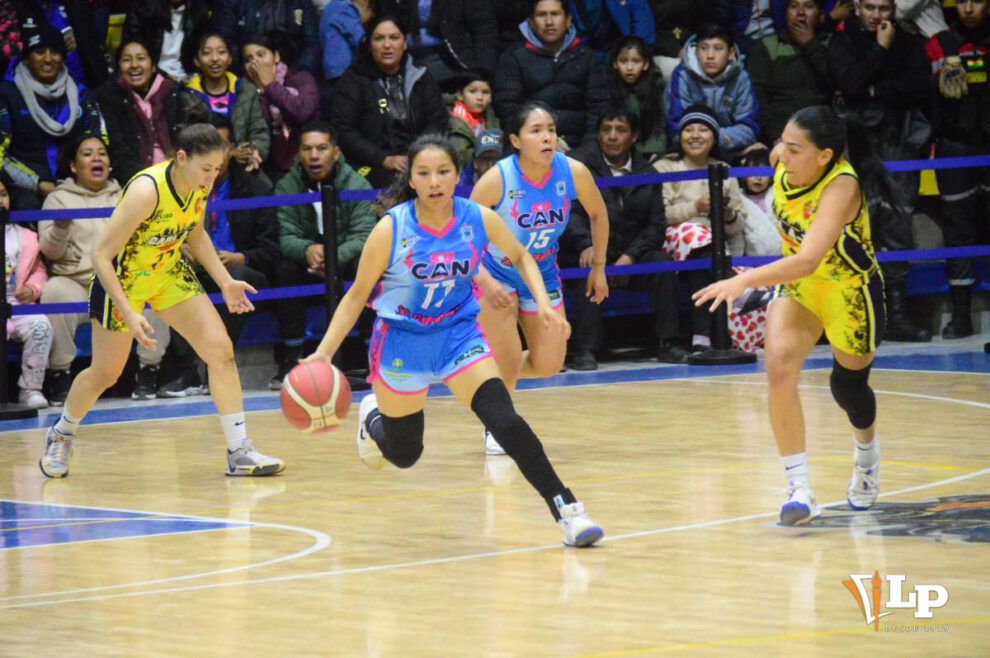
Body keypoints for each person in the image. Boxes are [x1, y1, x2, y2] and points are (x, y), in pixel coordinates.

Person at [302, 133, 604, 547]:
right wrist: (323, 354)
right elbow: (356, 296)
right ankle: (372, 417)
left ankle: (568, 511)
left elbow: (519, 255)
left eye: (443, 172)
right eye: (424, 173)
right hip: (403, 341)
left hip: (458, 336)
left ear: (457, 176)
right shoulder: (392, 229)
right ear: (411, 179)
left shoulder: (476, 217)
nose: (434, 182)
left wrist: (542, 303)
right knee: (405, 454)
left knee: (506, 421)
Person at [38, 123, 284, 479]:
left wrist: (225, 281)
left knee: (220, 350)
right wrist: (128, 311)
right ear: (181, 158)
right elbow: (101, 256)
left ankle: (239, 451)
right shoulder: (146, 190)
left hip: (167, 272)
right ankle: (61, 433)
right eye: (206, 168)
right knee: (106, 373)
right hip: (123, 280)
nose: (212, 178)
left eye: (217, 169)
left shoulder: (199, 186)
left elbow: (196, 235)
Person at [693, 105, 891, 526]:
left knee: (848, 388)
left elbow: (808, 258)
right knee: (779, 367)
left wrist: (744, 281)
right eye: (782, 142)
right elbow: (801, 270)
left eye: (795, 148)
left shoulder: (842, 187)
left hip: (848, 291)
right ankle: (799, 489)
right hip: (800, 289)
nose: (783, 152)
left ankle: (867, 456)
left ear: (824, 156)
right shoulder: (779, 159)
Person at [471, 102, 609, 455]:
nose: (547, 137)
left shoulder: (572, 171)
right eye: (536, 131)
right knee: (507, 356)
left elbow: (598, 214)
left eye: (551, 129)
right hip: (496, 272)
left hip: (542, 272)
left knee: (548, 363)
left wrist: (599, 267)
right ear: (516, 140)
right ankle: (497, 425)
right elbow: (463, 236)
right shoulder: (497, 179)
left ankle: (476, 373)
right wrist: (485, 280)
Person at [828, 0, 933, 343]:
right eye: (870, 7)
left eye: (884, 8)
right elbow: (850, 84)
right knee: (853, 226)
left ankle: (896, 315)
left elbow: (920, 85)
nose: (877, 16)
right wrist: (879, 50)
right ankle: (856, 314)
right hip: (854, 145)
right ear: (857, 7)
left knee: (898, 225)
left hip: (897, 140)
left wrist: (876, 90)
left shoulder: (909, 42)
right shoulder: (842, 42)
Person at [159, 114, 281, 397]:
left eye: (222, 146)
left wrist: (241, 256)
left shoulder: (256, 188)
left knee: (237, 279)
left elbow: (272, 250)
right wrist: (179, 246)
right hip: (193, 267)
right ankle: (187, 373)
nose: (215, 155)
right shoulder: (173, 187)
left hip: (239, 268)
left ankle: (216, 363)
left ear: (232, 149)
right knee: (175, 279)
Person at [562, 109, 687, 369]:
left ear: (634, 136)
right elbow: (568, 212)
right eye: (606, 130)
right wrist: (586, 244)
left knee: (662, 264)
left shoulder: (648, 172)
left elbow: (656, 226)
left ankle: (670, 342)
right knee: (589, 268)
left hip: (631, 253)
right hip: (592, 248)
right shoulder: (579, 166)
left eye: (620, 130)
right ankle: (585, 349)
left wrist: (630, 256)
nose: (612, 136)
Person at [270, 120, 376, 387]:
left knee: (367, 268)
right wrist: (306, 250)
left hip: (344, 259)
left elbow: (364, 235)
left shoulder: (357, 185)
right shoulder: (286, 186)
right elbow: (285, 235)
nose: (314, 156)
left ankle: (371, 358)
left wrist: (333, 257)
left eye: (321, 148)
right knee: (284, 271)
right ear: (299, 154)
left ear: (336, 152)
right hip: (307, 263)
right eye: (307, 149)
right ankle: (290, 360)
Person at [37, 135, 125, 405]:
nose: (97, 158)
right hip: (75, 281)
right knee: (55, 293)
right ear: (73, 166)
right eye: (87, 154)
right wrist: (60, 230)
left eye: (102, 153)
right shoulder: (58, 199)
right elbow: (50, 252)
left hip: (117, 282)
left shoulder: (125, 196)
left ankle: (150, 370)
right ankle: (60, 373)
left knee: (153, 293)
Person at [654, 104, 746, 352]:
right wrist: (696, 206)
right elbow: (661, 215)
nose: (695, 136)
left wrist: (727, 215)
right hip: (674, 239)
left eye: (703, 130)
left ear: (714, 137)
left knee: (706, 256)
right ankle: (735, 290)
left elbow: (738, 225)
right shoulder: (665, 167)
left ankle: (703, 337)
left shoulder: (724, 169)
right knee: (699, 241)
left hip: (712, 244)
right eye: (689, 130)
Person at [924, 0, 989, 338]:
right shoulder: (939, 44)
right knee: (957, 232)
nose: (968, 8)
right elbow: (923, 99)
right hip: (953, 148)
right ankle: (961, 317)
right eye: (961, 1)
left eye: (975, 0)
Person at [330, 15, 448, 188]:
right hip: (371, 165)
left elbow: (437, 121)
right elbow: (343, 130)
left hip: (419, 160)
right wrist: (383, 159)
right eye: (379, 38)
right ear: (369, 44)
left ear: (404, 43)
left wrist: (417, 155)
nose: (387, 45)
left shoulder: (421, 75)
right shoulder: (353, 80)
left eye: (394, 37)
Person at [0, 22, 102, 210]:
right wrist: (37, 184)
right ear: (27, 58)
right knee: (26, 204)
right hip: (25, 188)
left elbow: (98, 142)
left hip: (77, 182)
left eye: (55, 52)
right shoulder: (7, 94)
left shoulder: (81, 95)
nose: (48, 59)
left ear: (63, 58)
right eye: (39, 52)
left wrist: (80, 181)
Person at [494, 0, 611, 150]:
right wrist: (545, 144)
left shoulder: (587, 57)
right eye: (541, 15)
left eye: (555, 14)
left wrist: (585, 152)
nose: (549, 22)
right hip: (530, 148)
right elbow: (509, 111)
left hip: (581, 149)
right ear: (531, 22)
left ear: (568, 20)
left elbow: (598, 109)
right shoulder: (513, 58)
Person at [93, 37, 209, 185]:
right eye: (126, 60)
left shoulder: (174, 95)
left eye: (141, 58)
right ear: (119, 67)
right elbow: (118, 153)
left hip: (179, 179)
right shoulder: (109, 99)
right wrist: (148, 182)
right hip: (133, 184)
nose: (134, 65)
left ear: (153, 66)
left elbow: (192, 143)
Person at [664, 22, 761, 159]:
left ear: (731, 53)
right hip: (690, 152)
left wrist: (709, 139)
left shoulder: (741, 78)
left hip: (731, 152)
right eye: (704, 48)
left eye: (718, 48)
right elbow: (676, 129)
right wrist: (706, 140)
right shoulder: (682, 76)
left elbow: (749, 129)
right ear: (695, 51)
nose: (710, 55)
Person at [747, 0, 834, 145]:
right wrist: (775, 136)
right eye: (793, 6)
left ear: (821, 15)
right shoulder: (767, 46)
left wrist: (810, 44)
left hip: (824, 132)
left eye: (809, 6)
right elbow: (759, 98)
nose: (800, 13)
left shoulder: (832, 44)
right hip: (780, 135)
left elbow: (837, 82)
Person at [186, 32, 270, 175]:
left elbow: (259, 131)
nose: (215, 58)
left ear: (230, 58)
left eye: (221, 52)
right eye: (206, 53)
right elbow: (188, 142)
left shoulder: (246, 90)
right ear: (196, 61)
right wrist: (228, 155)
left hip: (245, 169)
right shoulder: (188, 96)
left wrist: (252, 151)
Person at [2, 174, 53, 409]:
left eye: (3, 195)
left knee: (41, 326)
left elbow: (39, 270)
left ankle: (31, 389)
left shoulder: (26, 236)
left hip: (18, 304)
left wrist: (32, 289)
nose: (0, 201)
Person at [240, 32, 320, 180]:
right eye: (248, 59)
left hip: (307, 161)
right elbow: (254, 130)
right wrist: (260, 92)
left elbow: (302, 113)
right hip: (268, 168)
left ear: (276, 56)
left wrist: (270, 85)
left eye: (261, 55)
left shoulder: (301, 79)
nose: (255, 63)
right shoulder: (243, 91)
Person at [605, 35, 667, 160]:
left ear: (645, 64)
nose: (629, 68)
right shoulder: (606, 87)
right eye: (623, 61)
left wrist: (655, 152)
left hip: (649, 152)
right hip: (616, 152)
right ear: (615, 63)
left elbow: (659, 127)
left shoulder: (656, 86)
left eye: (636, 61)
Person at [122, 0, 212, 85]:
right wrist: (165, 76)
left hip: (185, 77)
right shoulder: (143, 8)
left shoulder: (198, 10)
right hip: (151, 77)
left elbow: (202, 51)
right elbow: (131, 52)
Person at [448, 69, 500, 169]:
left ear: (491, 98)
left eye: (485, 92)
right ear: (460, 95)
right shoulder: (455, 119)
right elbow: (458, 156)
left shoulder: (491, 117)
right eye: (473, 91)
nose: (479, 97)